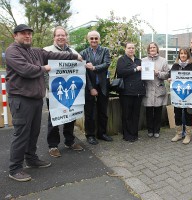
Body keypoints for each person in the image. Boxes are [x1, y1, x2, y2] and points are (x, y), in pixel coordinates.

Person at [5, 24, 82, 182]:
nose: (28, 36)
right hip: (21, 99)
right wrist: (45, 68)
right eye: (23, 34)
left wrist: (74, 56)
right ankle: (15, 168)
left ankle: (31, 159)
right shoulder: (12, 51)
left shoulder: (36, 51)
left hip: (35, 99)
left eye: (29, 34)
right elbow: (26, 70)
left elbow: (56, 55)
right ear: (15, 36)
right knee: (21, 134)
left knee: (33, 132)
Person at [44, 26, 83, 158]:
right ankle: (53, 146)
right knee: (54, 119)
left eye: (63, 35)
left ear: (66, 37)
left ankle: (69, 141)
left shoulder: (73, 51)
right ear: (54, 37)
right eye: (58, 35)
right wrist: (49, 87)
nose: (61, 37)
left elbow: (79, 68)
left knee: (70, 117)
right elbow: (43, 71)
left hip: (70, 93)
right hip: (53, 92)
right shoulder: (47, 51)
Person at [80, 30, 112, 145]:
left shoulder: (105, 51)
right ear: (88, 40)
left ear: (99, 39)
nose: (94, 40)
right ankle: (90, 135)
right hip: (90, 86)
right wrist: (91, 88)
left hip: (103, 85)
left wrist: (93, 68)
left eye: (96, 38)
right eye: (91, 38)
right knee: (89, 113)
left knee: (103, 111)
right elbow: (83, 73)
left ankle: (102, 133)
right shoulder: (83, 53)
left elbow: (106, 64)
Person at [116, 42, 146, 142]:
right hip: (126, 92)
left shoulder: (139, 60)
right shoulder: (122, 60)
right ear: (125, 49)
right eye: (129, 48)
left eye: (133, 48)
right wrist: (135, 69)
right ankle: (127, 135)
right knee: (127, 114)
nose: (131, 50)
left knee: (136, 114)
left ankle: (134, 133)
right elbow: (120, 72)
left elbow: (145, 74)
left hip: (138, 91)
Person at [170, 47, 192, 144]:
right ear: (179, 55)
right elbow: (171, 76)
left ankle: (188, 135)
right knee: (177, 113)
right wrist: (170, 79)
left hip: (188, 94)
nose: (183, 55)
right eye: (181, 53)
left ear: (188, 55)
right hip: (177, 95)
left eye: (185, 54)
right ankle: (178, 134)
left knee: (187, 114)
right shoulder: (175, 66)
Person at [142, 42, 169, 138]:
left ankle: (157, 130)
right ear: (148, 49)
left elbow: (167, 74)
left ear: (157, 49)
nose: (152, 49)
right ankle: (150, 130)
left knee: (158, 111)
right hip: (148, 88)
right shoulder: (143, 60)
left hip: (159, 88)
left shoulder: (163, 61)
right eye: (150, 47)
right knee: (148, 111)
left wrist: (158, 73)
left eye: (154, 47)